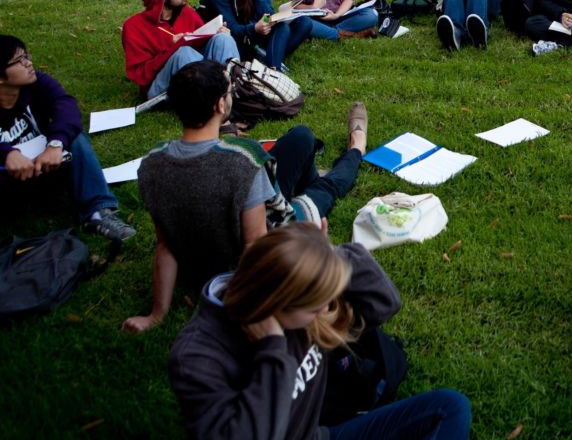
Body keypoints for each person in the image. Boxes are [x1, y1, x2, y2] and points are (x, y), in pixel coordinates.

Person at [122, 60, 368, 332]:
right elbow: (257, 247)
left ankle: (308, 177)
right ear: (218, 105)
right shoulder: (242, 162)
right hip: (271, 234)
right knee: (325, 190)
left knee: (302, 137)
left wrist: (157, 314)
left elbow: (165, 245)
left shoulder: (152, 164)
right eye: (229, 92)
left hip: (212, 242)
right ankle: (356, 147)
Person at [168, 222, 471, 440]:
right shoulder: (198, 357)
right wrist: (272, 349)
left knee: (449, 407)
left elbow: (383, 303)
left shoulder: (291, 301)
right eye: (316, 308)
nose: (327, 311)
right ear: (278, 305)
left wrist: (325, 256)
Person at [0, 35, 135, 241]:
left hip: (45, 165)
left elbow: (66, 106)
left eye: (26, 56)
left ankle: (98, 211)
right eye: (19, 61)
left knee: (75, 138)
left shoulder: (37, 83)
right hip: (9, 179)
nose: (28, 63)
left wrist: (55, 144)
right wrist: (7, 154)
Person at [122, 0, 239, 99]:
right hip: (159, 85)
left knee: (223, 39)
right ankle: (213, 101)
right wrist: (171, 48)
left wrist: (217, 33)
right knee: (184, 53)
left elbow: (203, 46)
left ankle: (236, 90)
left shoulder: (187, 13)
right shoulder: (134, 27)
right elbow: (141, 75)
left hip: (197, 76)